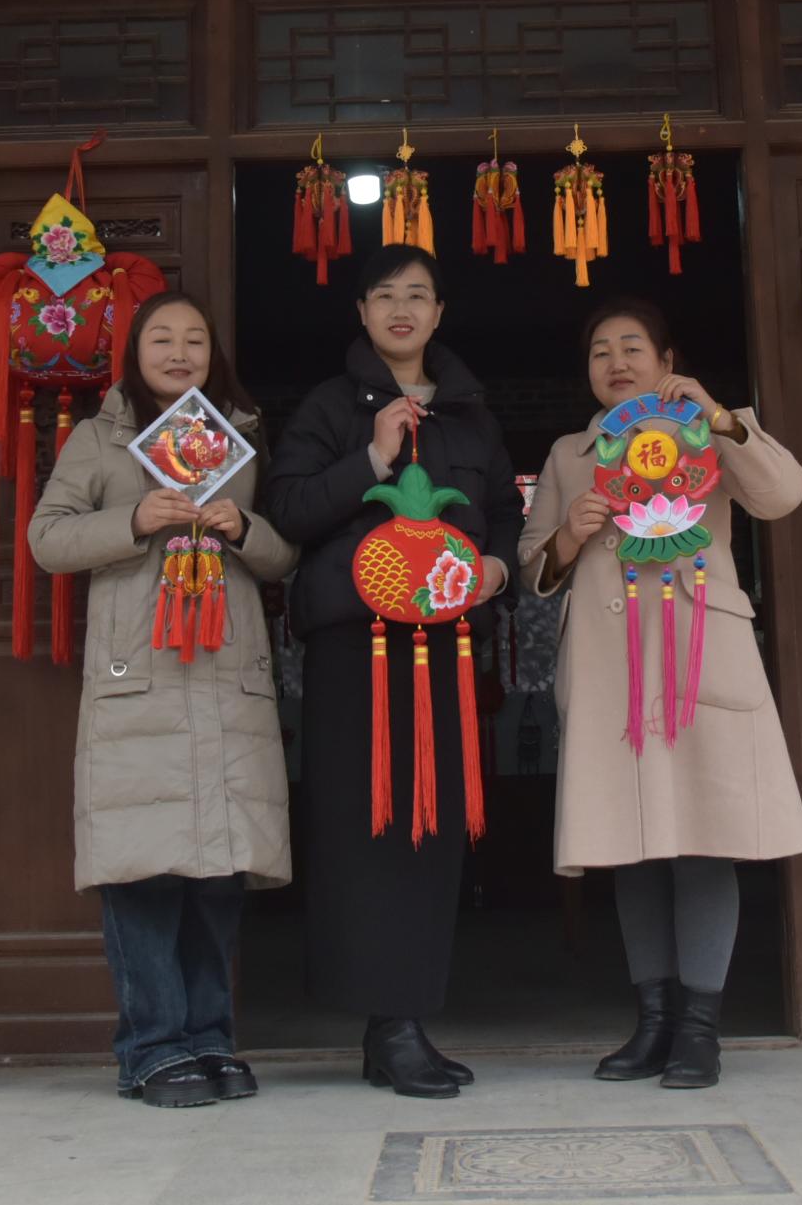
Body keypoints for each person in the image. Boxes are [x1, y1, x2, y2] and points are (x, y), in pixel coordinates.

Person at [519, 299, 802, 1089]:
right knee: (633, 849)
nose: (616, 363)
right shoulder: (570, 452)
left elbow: (782, 494)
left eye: (632, 348)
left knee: (705, 841)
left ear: (666, 360)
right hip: (612, 665)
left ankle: (700, 1030)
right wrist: (570, 533)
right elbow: (532, 564)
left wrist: (719, 416)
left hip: (697, 654)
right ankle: (652, 1023)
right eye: (600, 352)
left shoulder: (707, 428)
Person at [261, 244, 522, 1099]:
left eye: (418, 295)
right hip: (359, 650)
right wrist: (371, 458)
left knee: (432, 830)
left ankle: (406, 1019)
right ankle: (386, 1023)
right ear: (362, 312)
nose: (402, 309)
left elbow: (505, 514)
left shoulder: (471, 412)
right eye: (384, 295)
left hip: (447, 646)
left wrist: (497, 567)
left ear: (439, 312)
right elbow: (289, 509)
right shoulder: (329, 406)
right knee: (365, 827)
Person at [30, 290, 300, 1109]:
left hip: (226, 672)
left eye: (194, 340)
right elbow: (48, 538)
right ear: (134, 351)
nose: (180, 353)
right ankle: (151, 1047)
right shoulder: (100, 437)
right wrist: (136, 518)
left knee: (218, 875)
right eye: (162, 339)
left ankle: (210, 1038)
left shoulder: (241, 435)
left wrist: (243, 528)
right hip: (138, 678)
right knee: (143, 870)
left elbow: (285, 553)